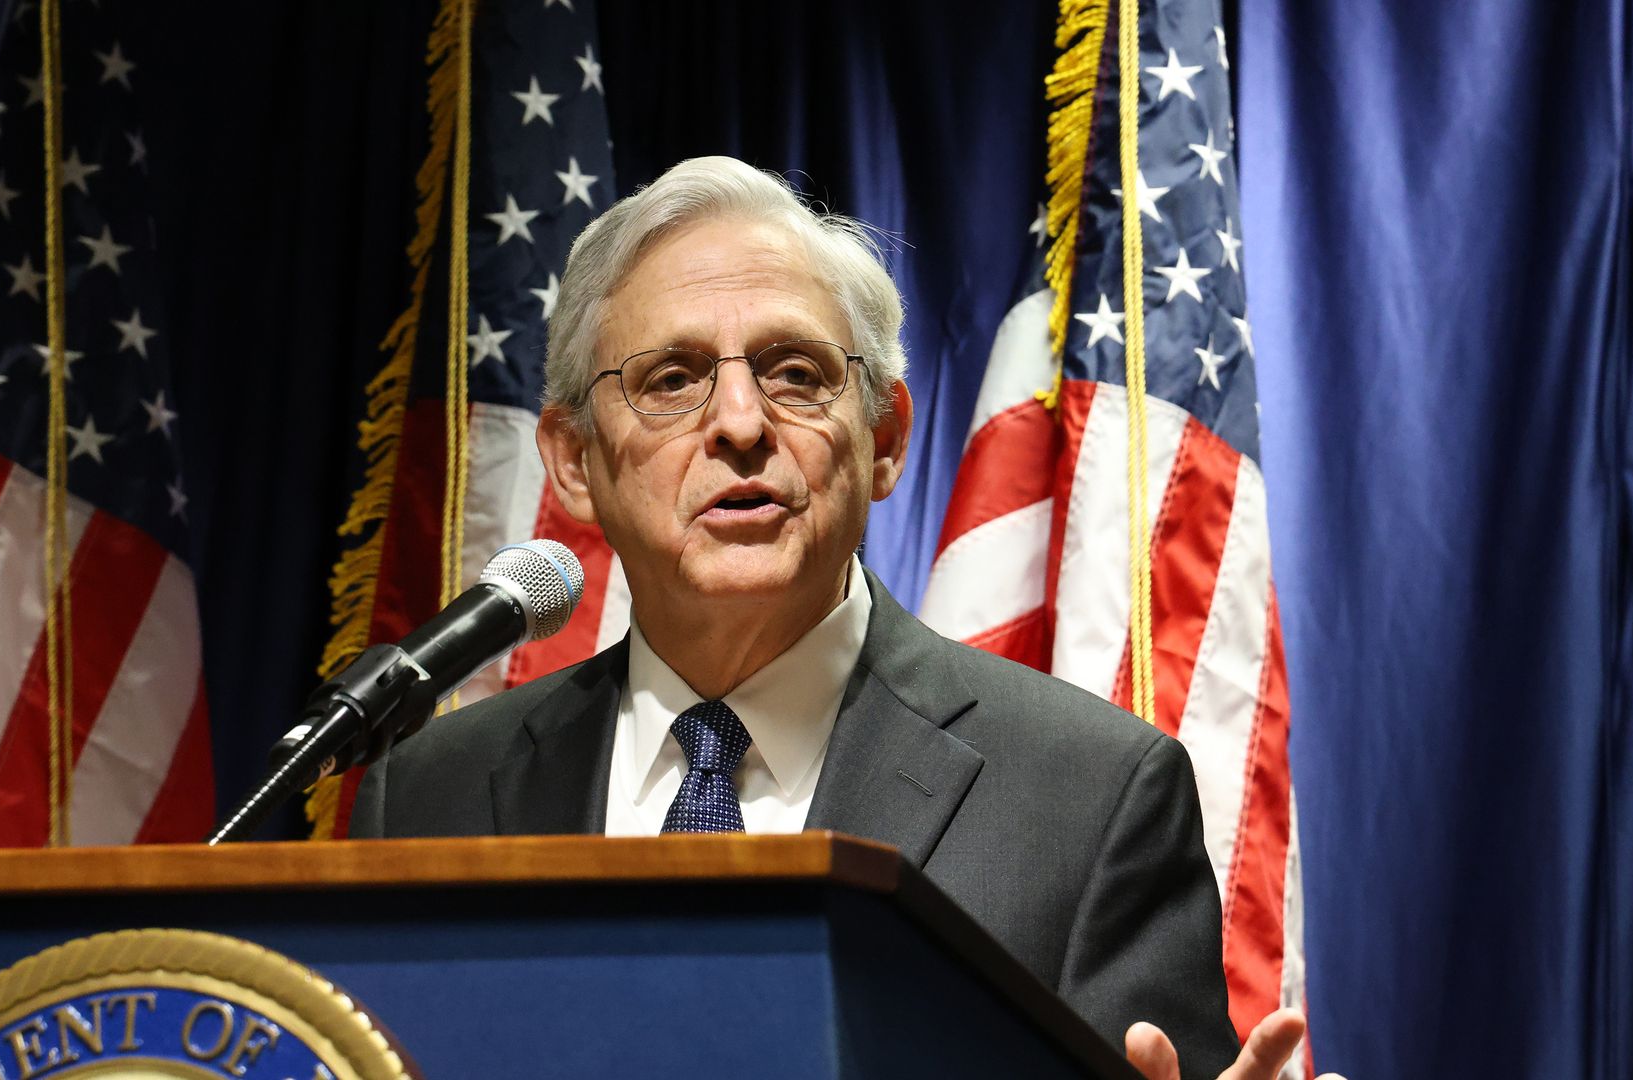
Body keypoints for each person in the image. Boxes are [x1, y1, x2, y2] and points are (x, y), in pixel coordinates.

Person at [352, 156, 1334, 1080]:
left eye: (795, 373)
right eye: (671, 380)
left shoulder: (1092, 802)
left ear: (884, 439)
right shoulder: (428, 796)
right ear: (572, 460)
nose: (740, 424)